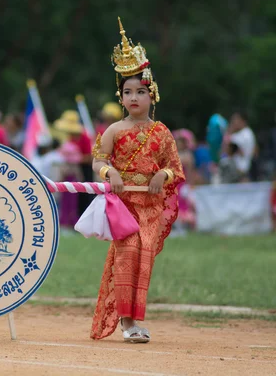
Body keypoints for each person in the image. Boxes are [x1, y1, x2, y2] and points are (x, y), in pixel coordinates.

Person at [90, 18, 184, 343]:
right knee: (127, 254)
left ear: (151, 95)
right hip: (124, 203)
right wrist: (109, 172)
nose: (133, 98)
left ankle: (134, 320)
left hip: (151, 206)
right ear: (121, 97)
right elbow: (97, 161)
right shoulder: (114, 131)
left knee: (143, 261)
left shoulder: (163, 133)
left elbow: (176, 169)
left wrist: (162, 174)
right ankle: (128, 324)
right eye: (127, 92)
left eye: (140, 92)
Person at [225, 112, 256, 180]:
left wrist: (230, 130)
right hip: (245, 168)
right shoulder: (249, 133)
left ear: (243, 121)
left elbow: (228, 151)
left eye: (235, 120)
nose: (233, 123)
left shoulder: (243, 135)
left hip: (241, 170)